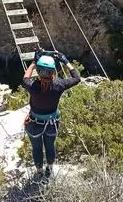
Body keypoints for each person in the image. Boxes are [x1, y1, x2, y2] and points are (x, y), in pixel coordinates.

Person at [21, 50, 80, 178]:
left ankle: (39, 172)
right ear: (53, 72)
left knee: (36, 148)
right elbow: (77, 78)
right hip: (52, 124)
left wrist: (33, 62)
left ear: (39, 71)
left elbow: (25, 78)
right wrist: (65, 60)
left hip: (34, 123)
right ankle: (49, 169)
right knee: (50, 146)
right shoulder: (59, 85)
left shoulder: (33, 86)